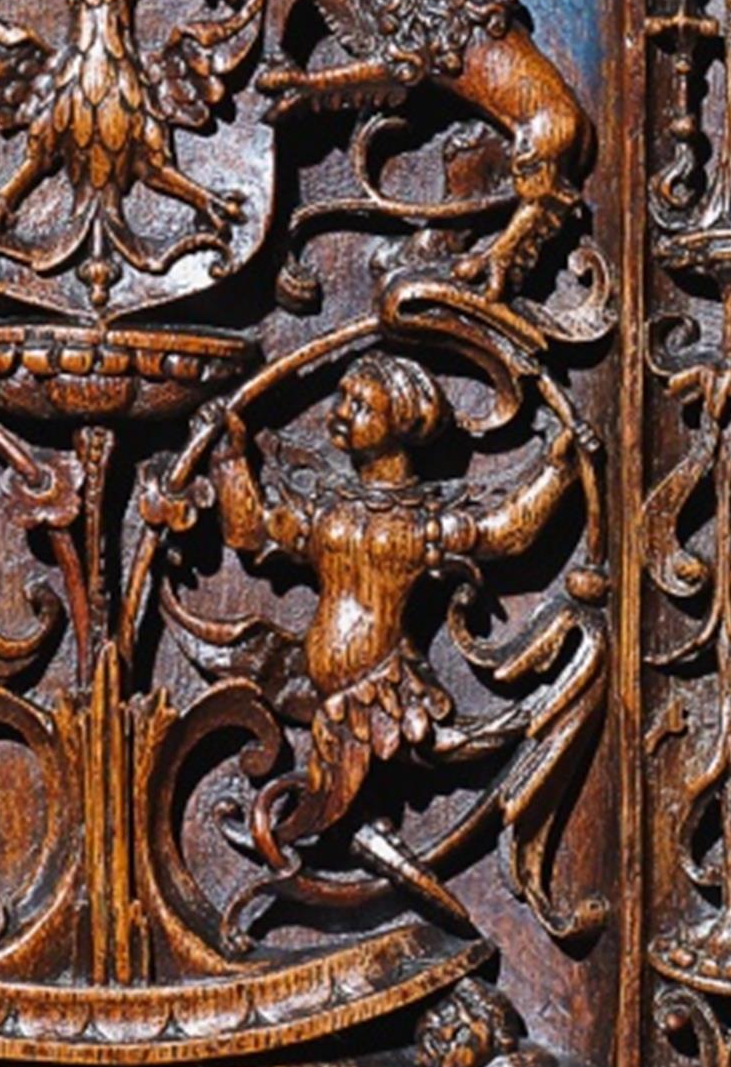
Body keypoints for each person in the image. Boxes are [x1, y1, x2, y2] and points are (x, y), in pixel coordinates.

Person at [201, 351, 573, 868]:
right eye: (343, 396)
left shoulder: (420, 523)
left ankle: (331, 842)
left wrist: (559, 469)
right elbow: (252, 530)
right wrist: (229, 463)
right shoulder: (326, 508)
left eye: (361, 404)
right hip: (312, 690)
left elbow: (505, 531)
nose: (341, 411)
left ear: (400, 419)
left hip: (380, 697)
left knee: (314, 821)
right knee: (315, 817)